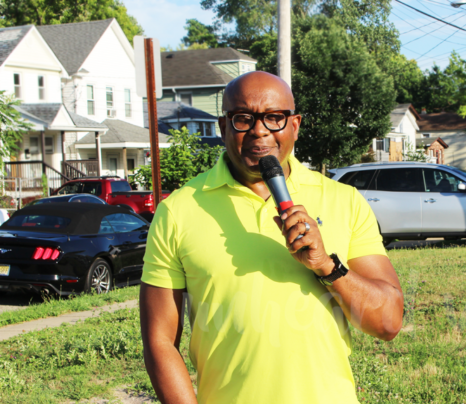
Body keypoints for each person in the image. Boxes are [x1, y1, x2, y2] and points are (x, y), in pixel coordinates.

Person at [139, 71, 404, 404]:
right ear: (223, 127)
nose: (259, 130)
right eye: (243, 118)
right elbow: (160, 342)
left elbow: (389, 322)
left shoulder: (345, 200)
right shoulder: (178, 211)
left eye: (274, 118)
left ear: (294, 124)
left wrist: (326, 265)